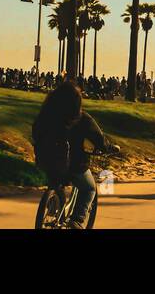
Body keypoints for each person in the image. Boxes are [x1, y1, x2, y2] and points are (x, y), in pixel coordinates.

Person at [32, 80, 115, 228]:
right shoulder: (82, 119)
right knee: (89, 188)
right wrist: (109, 148)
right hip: (74, 165)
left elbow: (36, 131)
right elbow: (99, 138)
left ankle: (53, 207)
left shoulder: (45, 115)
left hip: (46, 160)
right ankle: (77, 219)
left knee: (57, 182)